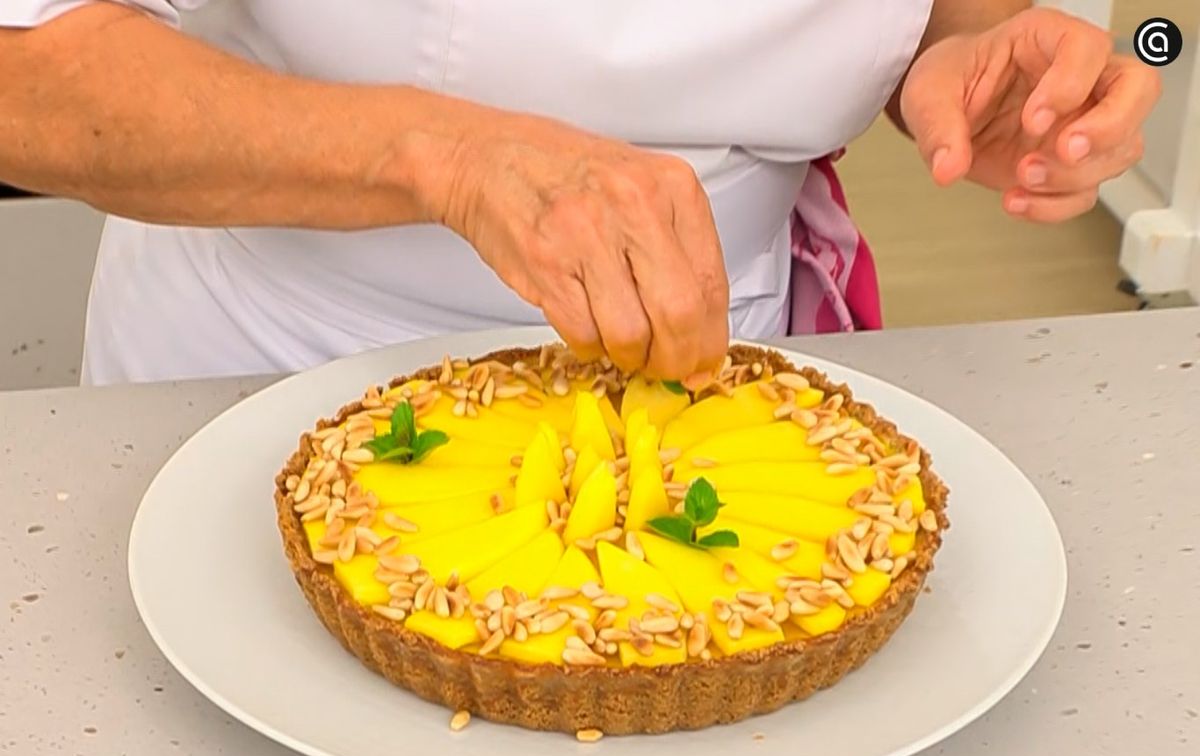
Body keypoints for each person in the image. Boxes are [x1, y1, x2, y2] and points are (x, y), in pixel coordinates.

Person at [0, 1, 1159, 385]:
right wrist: (449, 156)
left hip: (714, 354)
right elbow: (28, 72)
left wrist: (966, 60)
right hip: (269, 350)